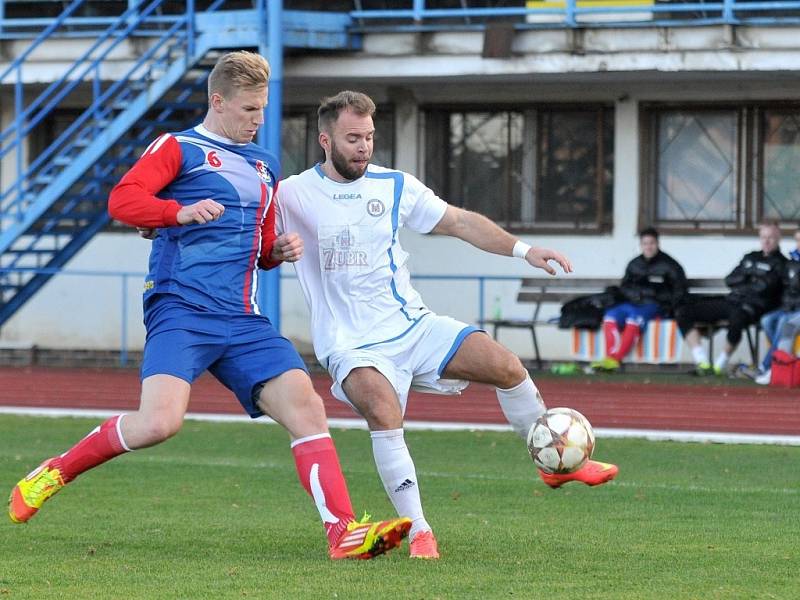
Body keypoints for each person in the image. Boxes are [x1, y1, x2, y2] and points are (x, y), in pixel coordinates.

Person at [7, 53, 410, 560]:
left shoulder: (265, 164)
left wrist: (275, 252)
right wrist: (177, 211)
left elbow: (259, 245)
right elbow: (122, 200)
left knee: (307, 406)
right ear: (217, 102)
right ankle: (55, 471)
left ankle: (344, 533)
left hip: (242, 319)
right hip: (181, 310)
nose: (259, 119)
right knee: (158, 424)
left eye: (262, 108)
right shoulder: (179, 148)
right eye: (248, 109)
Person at [275, 90, 619, 560]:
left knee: (506, 365)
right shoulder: (293, 193)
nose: (363, 146)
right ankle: (419, 530)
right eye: (352, 138)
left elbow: (459, 222)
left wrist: (524, 250)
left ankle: (552, 463)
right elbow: (251, 232)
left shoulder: (394, 185)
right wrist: (269, 251)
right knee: (381, 407)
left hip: (412, 325)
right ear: (324, 138)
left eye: (370, 137)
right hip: (350, 342)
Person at [676, 222, 786, 376]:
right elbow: (730, 279)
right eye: (763, 237)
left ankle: (720, 365)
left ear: (778, 239)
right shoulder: (750, 256)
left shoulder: (782, 263)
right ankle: (702, 361)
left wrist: (748, 277)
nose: (766, 241)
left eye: (771, 238)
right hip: (731, 301)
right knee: (684, 312)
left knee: (737, 320)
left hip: (753, 307)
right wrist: (753, 278)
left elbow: (765, 288)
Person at [590, 227, 687, 372]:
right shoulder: (634, 264)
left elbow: (679, 290)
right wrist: (636, 294)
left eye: (652, 243)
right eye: (645, 243)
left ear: (658, 244)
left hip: (655, 305)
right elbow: (624, 287)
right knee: (610, 316)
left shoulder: (670, 265)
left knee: (634, 320)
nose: (648, 246)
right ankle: (610, 358)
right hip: (632, 303)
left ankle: (614, 360)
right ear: (641, 245)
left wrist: (661, 301)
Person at [754, 226, 800, 382]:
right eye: (797, 240)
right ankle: (782, 362)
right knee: (767, 320)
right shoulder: (792, 262)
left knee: (786, 324)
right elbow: (787, 289)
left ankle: (771, 366)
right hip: (791, 307)